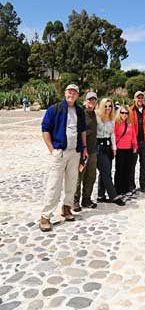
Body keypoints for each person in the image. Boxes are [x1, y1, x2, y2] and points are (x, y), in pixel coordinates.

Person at [39, 84, 88, 231]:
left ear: (78, 95)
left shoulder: (79, 111)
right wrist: (52, 150)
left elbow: (83, 130)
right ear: (65, 93)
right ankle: (45, 216)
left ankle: (66, 209)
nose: (71, 94)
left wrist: (84, 148)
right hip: (59, 152)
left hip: (75, 152)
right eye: (69, 91)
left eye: (74, 92)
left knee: (72, 183)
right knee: (54, 184)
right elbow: (45, 129)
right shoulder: (54, 109)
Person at [96, 98, 125, 206]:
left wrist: (114, 148)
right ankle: (113, 196)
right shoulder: (97, 118)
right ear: (102, 106)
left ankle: (101, 195)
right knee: (106, 173)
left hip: (108, 146)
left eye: (110, 106)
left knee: (104, 171)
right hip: (99, 146)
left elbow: (112, 134)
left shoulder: (111, 119)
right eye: (106, 106)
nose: (108, 108)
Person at [73, 91, 98, 212]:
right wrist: (83, 148)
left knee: (90, 176)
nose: (92, 102)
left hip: (93, 151)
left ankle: (86, 199)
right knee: (79, 176)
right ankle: (75, 200)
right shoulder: (81, 114)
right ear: (85, 101)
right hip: (82, 151)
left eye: (94, 100)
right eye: (89, 100)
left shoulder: (94, 114)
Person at [130, 91, 145, 194]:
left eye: (141, 98)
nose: (140, 99)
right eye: (138, 98)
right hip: (134, 142)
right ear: (134, 99)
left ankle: (144, 185)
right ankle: (131, 186)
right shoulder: (130, 110)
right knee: (132, 165)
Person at [114, 105, 138, 197]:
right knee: (119, 170)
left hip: (129, 149)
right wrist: (114, 148)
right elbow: (114, 136)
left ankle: (125, 189)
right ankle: (118, 189)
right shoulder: (116, 123)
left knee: (127, 170)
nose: (124, 114)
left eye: (126, 113)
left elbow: (133, 136)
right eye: (122, 112)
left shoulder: (130, 124)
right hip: (120, 149)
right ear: (119, 113)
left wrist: (135, 146)